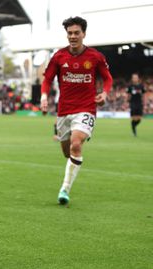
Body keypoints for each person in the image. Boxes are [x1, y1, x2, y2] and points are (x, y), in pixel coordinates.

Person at [40, 16, 112, 205]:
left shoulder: (95, 57)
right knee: (68, 152)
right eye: (70, 33)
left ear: (84, 34)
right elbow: (47, 79)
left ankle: (64, 189)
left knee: (76, 144)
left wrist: (104, 94)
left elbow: (108, 78)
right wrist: (44, 97)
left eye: (76, 33)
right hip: (64, 111)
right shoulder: (59, 57)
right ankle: (73, 162)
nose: (73, 36)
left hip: (86, 108)